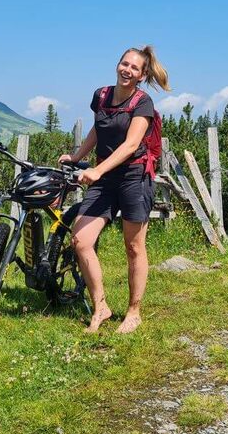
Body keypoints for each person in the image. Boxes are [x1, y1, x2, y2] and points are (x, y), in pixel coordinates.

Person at [58, 46, 170, 334]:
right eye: (124, 64)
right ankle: (101, 306)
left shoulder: (142, 103)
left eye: (134, 68)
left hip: (134, 177)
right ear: (117, 65)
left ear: (142, 75)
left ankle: (134, 312)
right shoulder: (102, 96)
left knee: (134, 246)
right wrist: (77, 155)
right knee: (81, 241)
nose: (127, 70)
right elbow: (98, 130)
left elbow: (131, 145)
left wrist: (97, 169)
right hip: (105, 179)